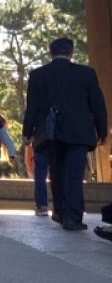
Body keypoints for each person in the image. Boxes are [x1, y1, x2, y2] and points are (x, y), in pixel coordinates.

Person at [23, 37, 108, 231]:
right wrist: (102, 130)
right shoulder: (86, 73)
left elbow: (32, 107)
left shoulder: (38, 75)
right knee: (74, 175)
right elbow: (97, 104)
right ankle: (73, 216)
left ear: (50, 52)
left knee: (57, 172)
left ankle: (60, 211)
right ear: (71, 52)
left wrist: (27, 132)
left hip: (50, 132)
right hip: (78, 132)